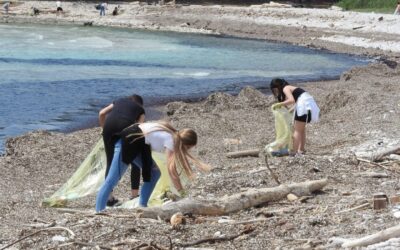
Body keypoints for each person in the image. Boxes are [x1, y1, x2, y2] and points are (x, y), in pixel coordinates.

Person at [95, 121, 209, 212]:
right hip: (128, 141)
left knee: (155, 173)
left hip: (140, 144)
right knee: (112, 180)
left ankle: (142, 206)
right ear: (184, 143)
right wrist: (183, 194)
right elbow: (172, 171)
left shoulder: (172, 134)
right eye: (188, 148)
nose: (187, 151)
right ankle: (98, 211)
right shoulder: (172, 139)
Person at [99, 94, 145, 206]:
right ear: (140, 104)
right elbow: (140, 127)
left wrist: (103, 129)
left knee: (110, 161)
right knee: (135, 161)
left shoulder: (118, 101)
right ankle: (134, 195)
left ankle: (109, 198)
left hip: (108, 127)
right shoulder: (140, 109)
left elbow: (101, 113)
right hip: (126, 126)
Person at [270, 78, 319, 156]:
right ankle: (301, 150)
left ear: (277, 86)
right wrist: (289, 111)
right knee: (301, 130)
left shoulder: (286, 88)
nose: (276, 92)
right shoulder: (292, 88)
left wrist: (279, 104)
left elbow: (291, 100)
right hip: (309, 105)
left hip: (304, 105)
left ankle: (294, 152)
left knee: (297, 130)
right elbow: (296, 102)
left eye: (275, 90)